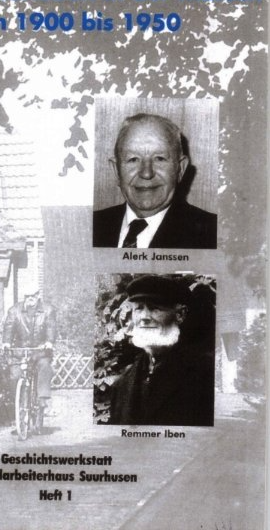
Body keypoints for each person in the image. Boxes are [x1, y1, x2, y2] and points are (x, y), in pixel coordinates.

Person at [93, 113, 217, 248]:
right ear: (116, 170)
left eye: (159, 159)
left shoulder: (211, 234)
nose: (146, 173)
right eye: (133, 159)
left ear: (180, 169)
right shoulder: (92, 226)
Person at [109, 275, 214, 426]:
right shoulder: (123, 384)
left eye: (154, 308)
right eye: (139, 308)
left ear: (180, 314)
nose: (144, 317)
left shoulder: (205, 375)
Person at [2, 291, 57, 408]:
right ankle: (17, 403)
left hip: (40, 351)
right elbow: (8, 327)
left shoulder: (48, 310)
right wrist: (6, 342)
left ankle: (42, 398)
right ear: (24, 296)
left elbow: (51, 328)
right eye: (28, 296)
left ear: (38, 296)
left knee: (44, 366)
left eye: (33, 295)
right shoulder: (14, 310)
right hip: (20, 351)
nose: (30, 298)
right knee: (14, 375)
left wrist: (49, 342)